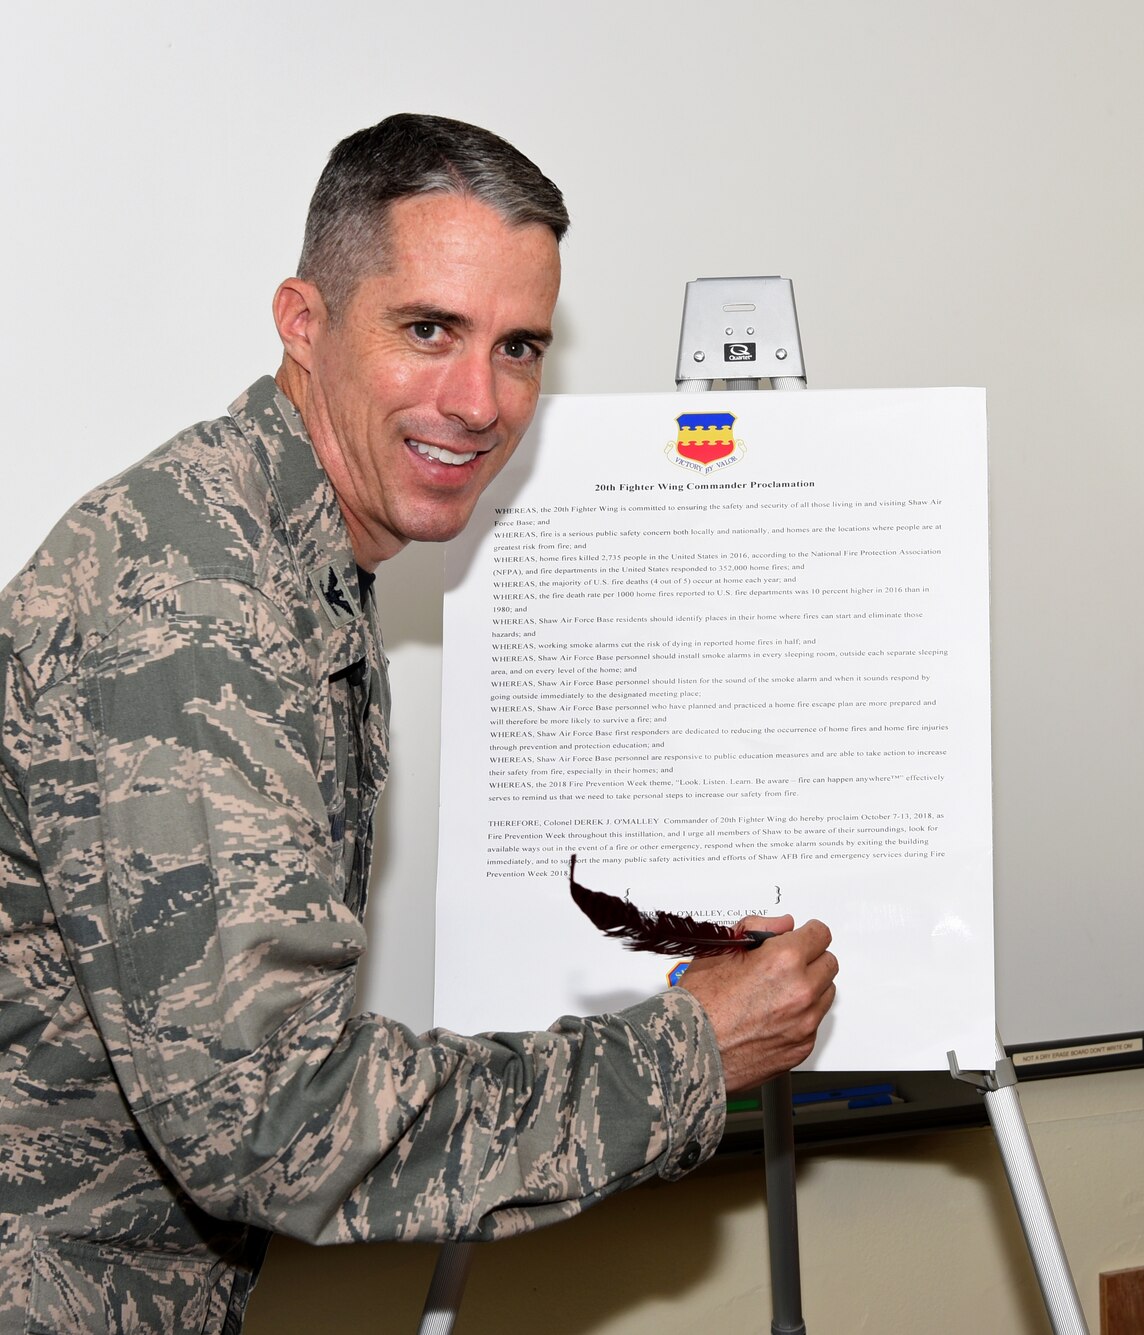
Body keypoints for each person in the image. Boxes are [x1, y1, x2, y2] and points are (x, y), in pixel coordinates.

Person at [0, 113, 838, 1334]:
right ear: (304, 322)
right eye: (429, 331)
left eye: (518, 347)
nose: (478, 400)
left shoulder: (284, 555)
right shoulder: (194, 609)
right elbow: (278, 1124)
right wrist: (686, 1055)